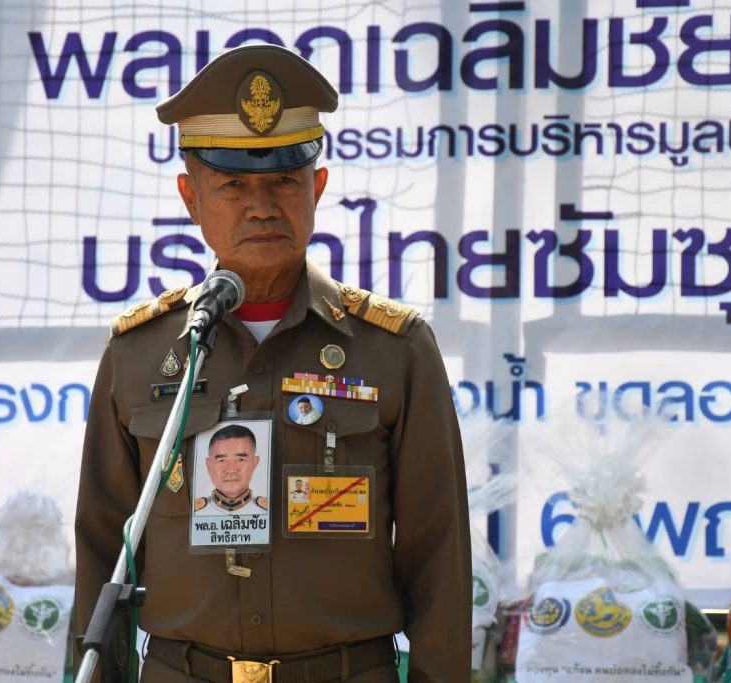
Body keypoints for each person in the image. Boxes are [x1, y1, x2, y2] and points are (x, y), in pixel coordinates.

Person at [74, 43, 471, 683]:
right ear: (190, 197)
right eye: (232, 184)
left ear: (318, 187)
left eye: (284, 181)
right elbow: (102, 552)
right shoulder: (141, 352)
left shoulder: (394, 349)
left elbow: (438, 555)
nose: (261, 206)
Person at [194, 424, 268, 515]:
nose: (231, 469)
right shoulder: (195, 512)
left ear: (255, 463)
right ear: (208, 465)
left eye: (240, 459)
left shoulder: (269, 511)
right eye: (222, 460)